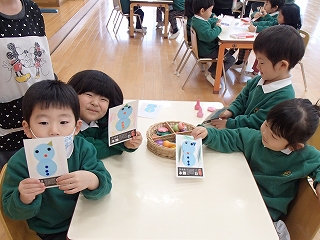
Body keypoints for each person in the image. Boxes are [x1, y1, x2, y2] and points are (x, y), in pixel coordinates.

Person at [2, 80, 112, 240]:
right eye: (43, 122)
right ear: (27, 128)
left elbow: (105, 182)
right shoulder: (20, 162)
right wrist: (23, 197)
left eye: (63, 122)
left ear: (77, 127)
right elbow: (11, 211)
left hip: (88, 218)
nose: (54, 131)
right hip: (52, 231)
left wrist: (90, 179)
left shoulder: (82, 148)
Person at [192, 98, 320, 225]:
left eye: (274, 136)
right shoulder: (254, 138)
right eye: (266, 124)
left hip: (265, 212)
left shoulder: (304, 156)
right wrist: (208, 134)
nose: (264, 133)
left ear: (294, 146)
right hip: (240, 195)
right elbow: (229, 137)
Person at [209, 25, 304, 130]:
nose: (257, 66)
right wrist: (231, 110)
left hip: (252, 139)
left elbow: (257, 123)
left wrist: (230, 124)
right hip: (239, 129)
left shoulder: (284, 97)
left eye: (262, 62)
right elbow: (242, 98)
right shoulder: (260, 79)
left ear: (282, 65)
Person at [0, 0, 55, 170]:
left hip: (40, 109)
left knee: (44, 171)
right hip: (6, 122)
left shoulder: (32, 9)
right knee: (12, 179)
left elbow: (43, 59)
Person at [67, 70, 143, 160]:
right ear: (72, 94)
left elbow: (114, 137)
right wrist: (114, 149)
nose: (95, 103)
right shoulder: (65, 125)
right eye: (89, 94)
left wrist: (127, 143)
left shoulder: (107, 119)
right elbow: (84, 150)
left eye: (103, 99)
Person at [191, 0, 235, 87]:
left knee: (225, 53)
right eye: (210, 10)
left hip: (206, 48)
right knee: (230, 59)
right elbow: (209, 36)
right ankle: (214, 76)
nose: (211, 13)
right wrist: (218, 28)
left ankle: (211, 71)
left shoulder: (197, 19)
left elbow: (208, 22)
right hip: (207, 51)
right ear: (202, 11)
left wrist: (215, 20)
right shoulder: (200, 24)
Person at [232, 0, 285, 69]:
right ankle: (240, 61)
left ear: (275, 8)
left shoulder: (276, 17)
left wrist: (256, 27)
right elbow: (253, 14)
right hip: (256, 36)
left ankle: (255, 70)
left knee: (260, 51)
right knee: (241, 41)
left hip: (265, 41)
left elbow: (270, 25)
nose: (264, 6)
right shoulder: (265, 12)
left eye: (266, 4)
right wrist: (255, 14)